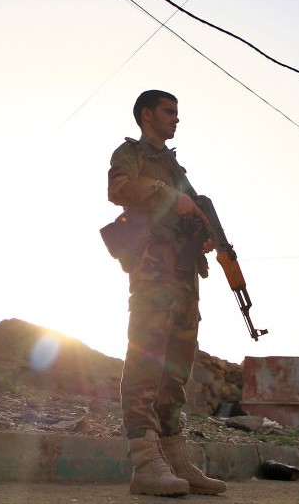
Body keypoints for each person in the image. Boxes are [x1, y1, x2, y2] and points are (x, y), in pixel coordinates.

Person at [107, 90, 226, 497]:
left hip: (183, 272)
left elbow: (190, 208)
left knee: (177, 368)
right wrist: (170, 197)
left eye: (177, 112)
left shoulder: (176, 167)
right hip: (153, 269)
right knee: (146, 358)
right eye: (169, 112)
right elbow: (120, 188)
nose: (176, 118)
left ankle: (175, 458)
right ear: (147, 115)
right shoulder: (131, 154)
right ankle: (145, 461)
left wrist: (202, 230)